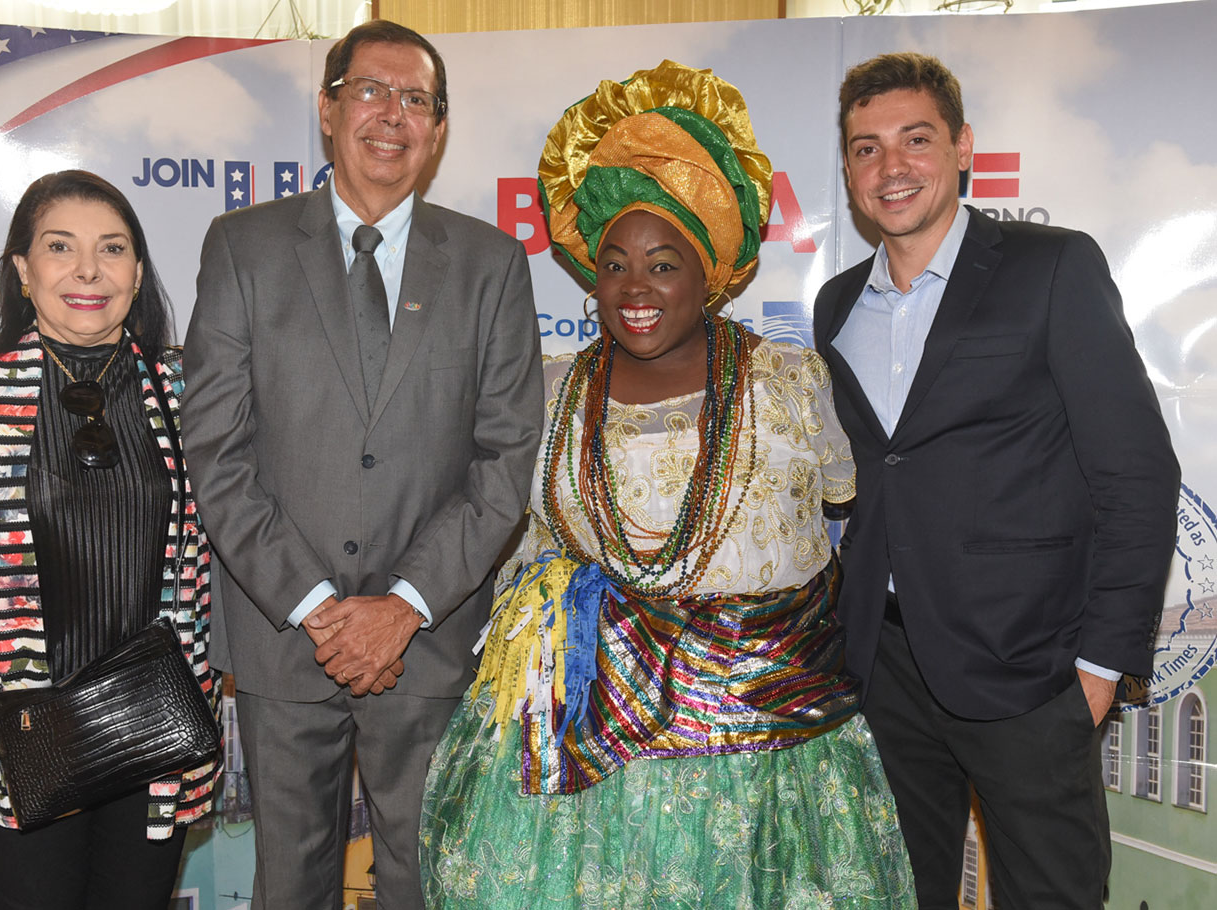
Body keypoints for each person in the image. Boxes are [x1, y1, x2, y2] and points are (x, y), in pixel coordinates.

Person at [421, 60, 915, 909]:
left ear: (710, 270)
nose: (635, 289)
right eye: (614, 265)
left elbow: (843, 502)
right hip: (577, 760)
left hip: (764, 759)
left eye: (662, 263)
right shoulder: (545, 390)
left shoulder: (786, 382)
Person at [180, 19, 544, 909]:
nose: (393, 115)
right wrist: (319, 609)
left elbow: (504, 462)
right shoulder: (243, 246)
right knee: (289, 879)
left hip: (428, 640)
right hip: (282, 637)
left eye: (417, 99)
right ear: (328, 107)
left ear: (440, 126)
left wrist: (401, 608)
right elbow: (216, 452)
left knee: (429, 880)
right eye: (372, 91)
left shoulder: (492, 265)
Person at [812, 52, 1181, 909]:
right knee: (896, 893)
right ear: (848, 169)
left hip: (1030, 667)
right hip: (884, 666)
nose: (890, 167)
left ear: (963, 146)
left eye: (915, 139)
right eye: (866, 148)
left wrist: (1100, 666)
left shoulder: (1049, 268)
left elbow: (1135, 472)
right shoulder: (835, 306)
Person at [0, 169, 219, 910]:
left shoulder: (188, 389)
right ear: (23, 271)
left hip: (154, 726)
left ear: (137, 273)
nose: (89, 270)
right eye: (60, 247)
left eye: (113, 248)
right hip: (18, 732)